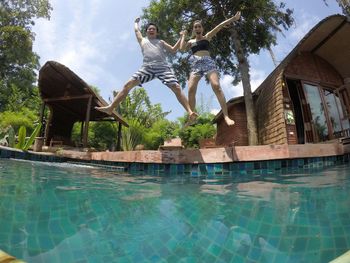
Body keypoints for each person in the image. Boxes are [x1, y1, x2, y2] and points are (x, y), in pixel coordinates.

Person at [96, 17, 198, 124]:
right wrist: (136, 23)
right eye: (149, 28)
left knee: (176, 87)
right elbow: (136, 31)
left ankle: (190, 112)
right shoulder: (142, 40)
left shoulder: (160, 42)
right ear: (147, 31)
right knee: (127, 85)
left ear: (156, 32)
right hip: (147, 67)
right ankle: (111, 108)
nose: (151, 30)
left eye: (153, 29)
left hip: (162, 67)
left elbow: (173, 50)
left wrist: (181, 36)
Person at [180, 12, 241, 126]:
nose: (197, 28)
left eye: (199, 26)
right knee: (191, 89)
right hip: (195, 64)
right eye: (195, 27)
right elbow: (182, 48)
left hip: (208, 62)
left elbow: (219, 26)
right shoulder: (191, 41)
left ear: (202, 29)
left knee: (216, 86)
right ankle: (192, 115)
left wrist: (233, 18)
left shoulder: (207, 36)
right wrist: (183, 35)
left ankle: (226, 116)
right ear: (193, 30)